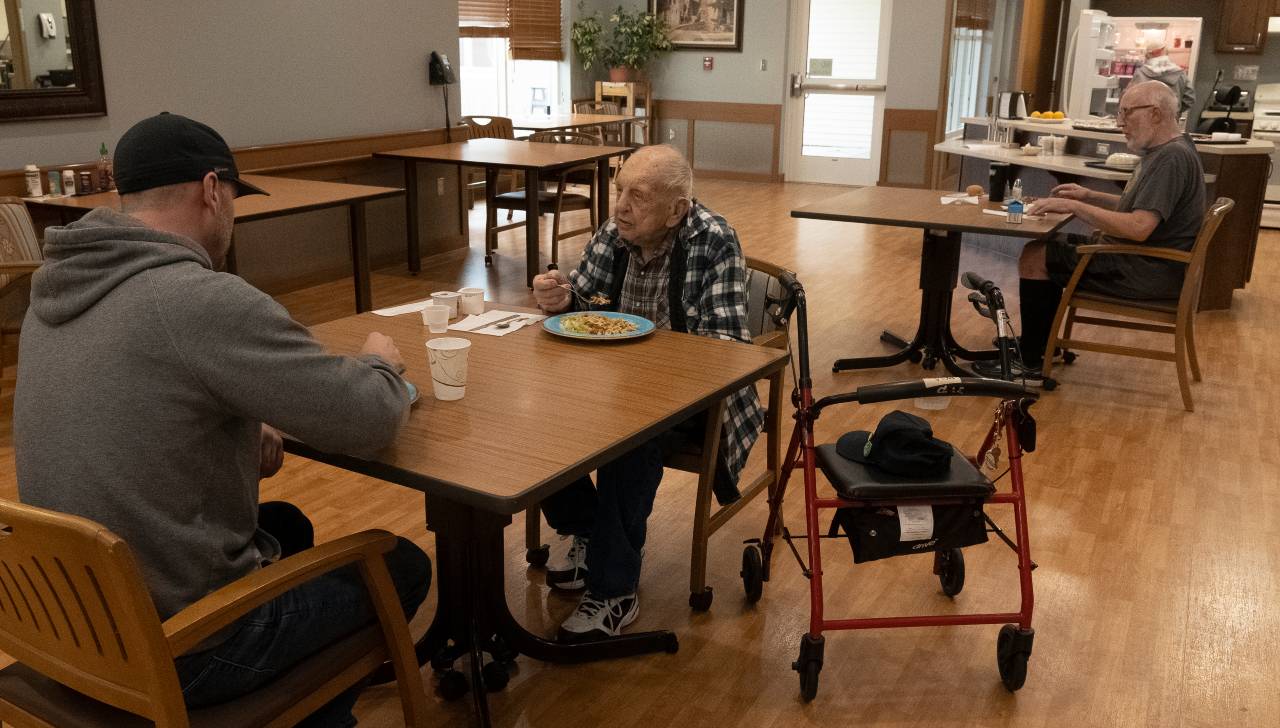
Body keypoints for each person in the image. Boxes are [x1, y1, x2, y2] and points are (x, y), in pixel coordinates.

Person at [13, 112, 430, 726]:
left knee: (284, 525)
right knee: (401, 566)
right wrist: (380, 365)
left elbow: (137, 409)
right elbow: (365, 421)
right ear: (212, 190)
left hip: (72, 625)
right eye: (233, 196)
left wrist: (232, 426)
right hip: (178, 649)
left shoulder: (54, 290)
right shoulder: (195, 298)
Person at [529, 145, 763, 641]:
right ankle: (589, 530)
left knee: (629, 440)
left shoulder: (714, 240)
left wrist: (649, 371)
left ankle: (614, 591)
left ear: (677, 209)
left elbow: (725, 350)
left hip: (694, 394)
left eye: (638, 196)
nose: (620, 208)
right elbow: (583, 299)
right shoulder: (615, 233)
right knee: (538, 411)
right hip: (611, 381)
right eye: (619, 192)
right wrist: (559, 297)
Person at [981, 82, 1205, 382]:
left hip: (1144, 269)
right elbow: (1141, 207)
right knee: (1043, 247)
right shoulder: (1173, 149)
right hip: (1146, 262)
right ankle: (1043, 348)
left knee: (1037, 256)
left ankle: (1032, 363)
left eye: (1127, 113)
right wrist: (1088, 196)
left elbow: (1139, 228)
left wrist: (1075, 209)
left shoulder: (1170, 159)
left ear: (1155, 113)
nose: (1120, 122)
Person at [1126, 40, 1195, 118]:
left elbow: (1128, 98)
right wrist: (1175, 111)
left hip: (1144, 122)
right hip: (1170, 122)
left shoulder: (1140, 73)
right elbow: (1189, 99)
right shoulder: (1180, 73)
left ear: (1151, 53)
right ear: (1162, 51)